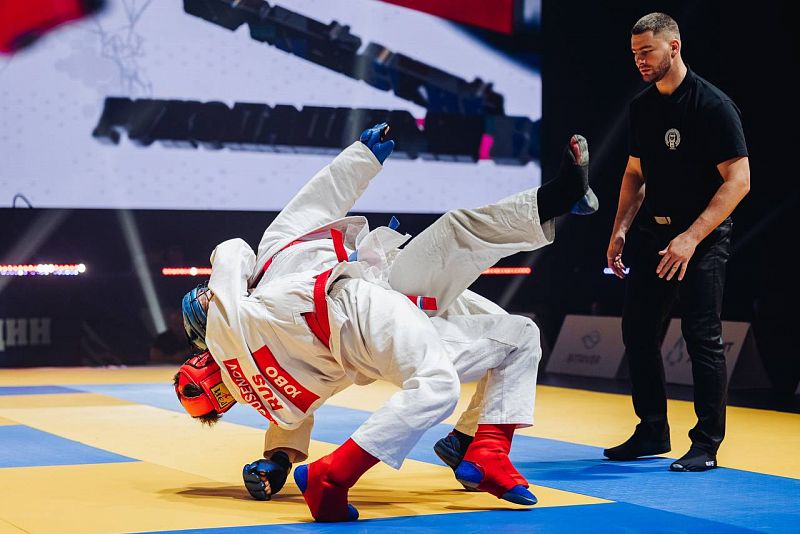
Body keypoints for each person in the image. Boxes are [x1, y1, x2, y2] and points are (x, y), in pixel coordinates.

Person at [175, 123, 598, 521]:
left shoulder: (265, 288)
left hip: (384, 285)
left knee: (512, 330)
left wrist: (361, 157)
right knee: (463, 260)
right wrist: (277, 459)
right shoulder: (244, 320)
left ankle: (466, 442)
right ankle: (556, 200)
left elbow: (315, 203)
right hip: (366, 315)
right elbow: (239, 251)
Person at [604, 12, 750, 472]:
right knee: (637, 330)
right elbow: (635, 173)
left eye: (647, 51)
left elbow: (739, 181)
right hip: (654, 233)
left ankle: (706, 444)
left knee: (702, 337)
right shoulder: (642, 107)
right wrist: (620, 229)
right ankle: (652, 429)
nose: (640, 61)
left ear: (674, 46)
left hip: (701, 239)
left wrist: (690, 238)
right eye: (634, 54)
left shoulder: (713, 106)